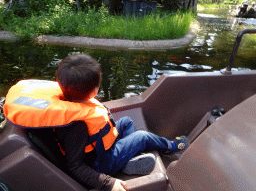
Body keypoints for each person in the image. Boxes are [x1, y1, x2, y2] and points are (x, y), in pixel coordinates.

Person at [3, 54, 189, 191]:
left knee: (125, 121)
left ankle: (127, 161)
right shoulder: (76, 125)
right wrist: (109, 183)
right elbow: (74, 166)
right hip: (98, 164)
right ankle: (173, 146)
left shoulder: (68, 102)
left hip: (98, 148)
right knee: (142, 136)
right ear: (94, 90)